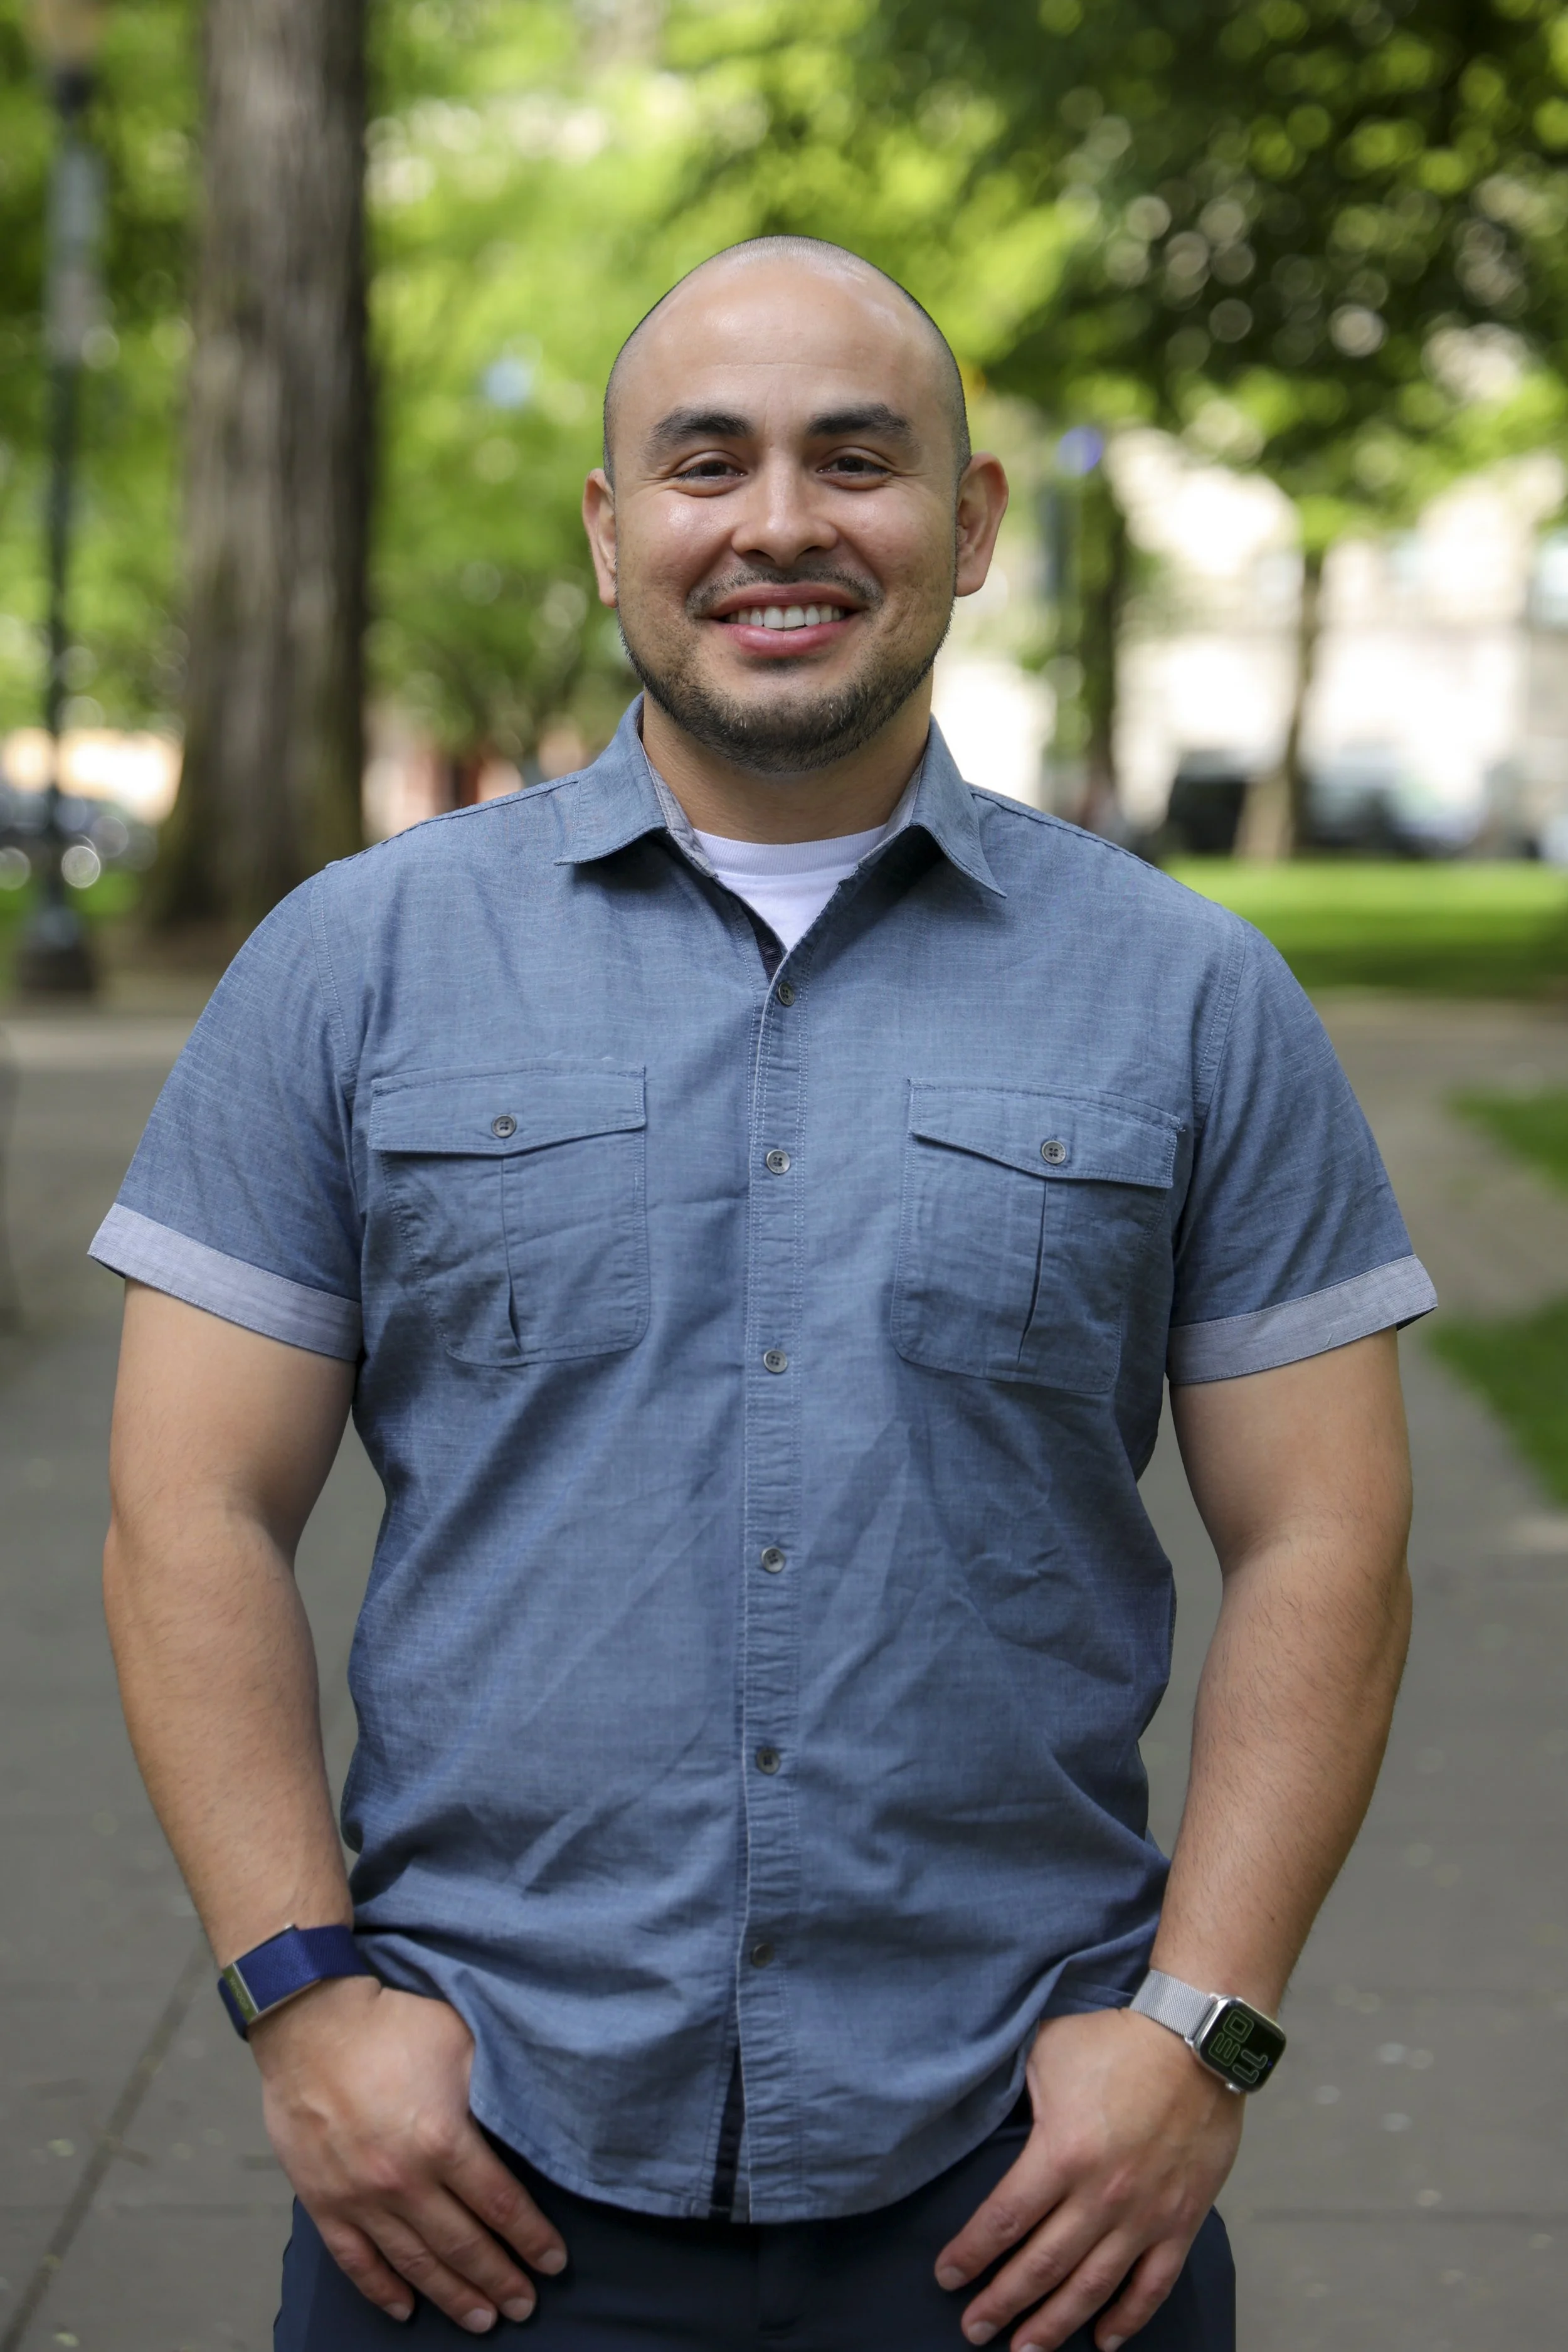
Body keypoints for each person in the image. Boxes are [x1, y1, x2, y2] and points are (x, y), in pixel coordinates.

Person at [94, 238, 1432, 2352]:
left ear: (968, 524)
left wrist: (1203, 2033)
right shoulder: (352, 966)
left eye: (857, 460)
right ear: (610, 529)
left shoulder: (1189, 995)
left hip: (1034, 2193)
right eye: (706, 463)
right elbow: (187, 1509)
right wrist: (301, 1995)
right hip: (465, 2174)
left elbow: (1326, 1534)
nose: (780, 523)